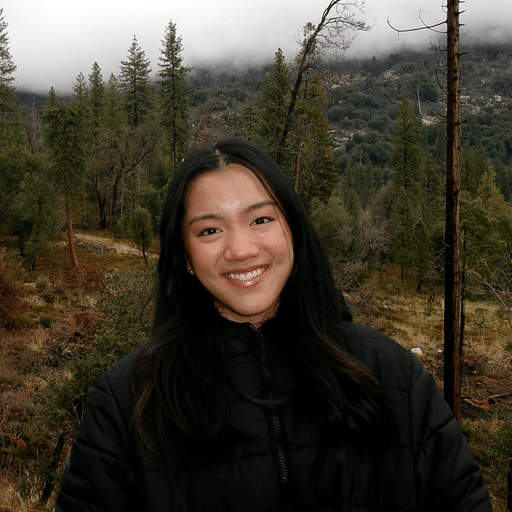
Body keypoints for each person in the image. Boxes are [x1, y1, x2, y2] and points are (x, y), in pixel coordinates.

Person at [56, 139, 492, 512]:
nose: (241, 249)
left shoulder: (393, 377)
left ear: (293, 231)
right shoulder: (127, 403)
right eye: (209, 231)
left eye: (261, 219)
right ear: (184, 258)